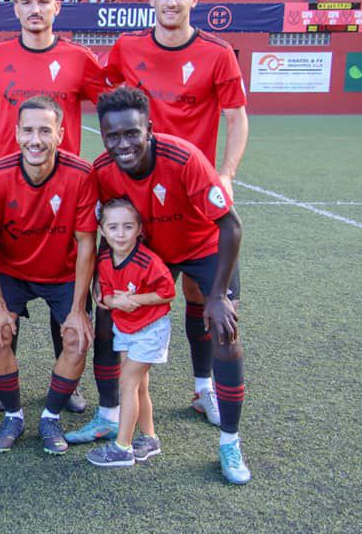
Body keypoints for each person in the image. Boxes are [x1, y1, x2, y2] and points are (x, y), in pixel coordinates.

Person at [90, 0, 249, 429]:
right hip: (141, 199)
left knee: (205, 302)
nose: (172, 2)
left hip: (194, 194)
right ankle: (115, 410)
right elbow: (105, 97)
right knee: (126, 301)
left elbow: (238, 117)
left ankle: (204, 391)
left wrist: (227, 173)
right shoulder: (127, 47)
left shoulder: (218, 53)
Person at [88, 87, 250, 484]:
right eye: (113, 136)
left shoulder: (184, 158)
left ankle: (230, 442)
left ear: (149, 128)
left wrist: (217, 296)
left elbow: (230, 224)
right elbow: (106, 230)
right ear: (103, 135)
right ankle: (109, 416)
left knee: (225, 333)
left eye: (132, 134)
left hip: (202, 247)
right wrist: (101, 280)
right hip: (152, 254)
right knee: (109, 323)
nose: (123, 144)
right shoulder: (102, 171)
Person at [0, 95, 97, 455]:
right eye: (28, 131)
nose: (35, 139)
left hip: (63, 271)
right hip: (13, 271)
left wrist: (78, 308)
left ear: (61, 133)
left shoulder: (81, 175)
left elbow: (87, 242)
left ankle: (50, 417)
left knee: (76, 337)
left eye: (45, 130)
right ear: (16, 133)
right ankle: (13, 415)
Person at [85, 198, 175, 467]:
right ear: (103, 231)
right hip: (124, 326)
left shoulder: (149, 261)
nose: (120, 234)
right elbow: (105, 295)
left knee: (127, 384)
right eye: (113, 227)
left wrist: (135, 299)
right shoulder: (104, 259)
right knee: (139, 385)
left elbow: (167, 292)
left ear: (139, 230)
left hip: (150, 329)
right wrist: (115, 302)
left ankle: (122, 447)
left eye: (127, 227)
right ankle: (149, 438)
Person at [0, 0, 105, 159]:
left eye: (43, 2)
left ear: (57, 7)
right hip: (7, 175)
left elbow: (114, 108)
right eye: (26, 2)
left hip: (63, 176)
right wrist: (5, 132)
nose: (35, 10)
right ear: (16, 9)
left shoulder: (80, 57)